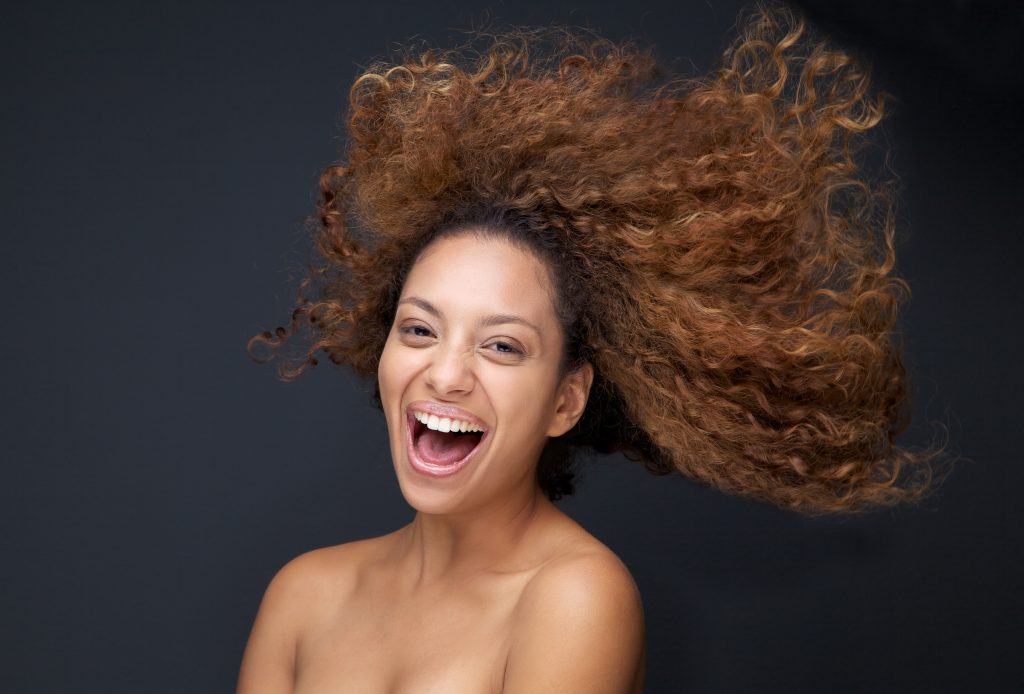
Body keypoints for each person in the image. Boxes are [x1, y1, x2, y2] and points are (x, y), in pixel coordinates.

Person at [238, 6, 946, 692]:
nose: (446, 373)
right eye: (420, 329)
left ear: (566, 399)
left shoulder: (577, 597)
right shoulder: (304, 595)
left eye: (504, 347)